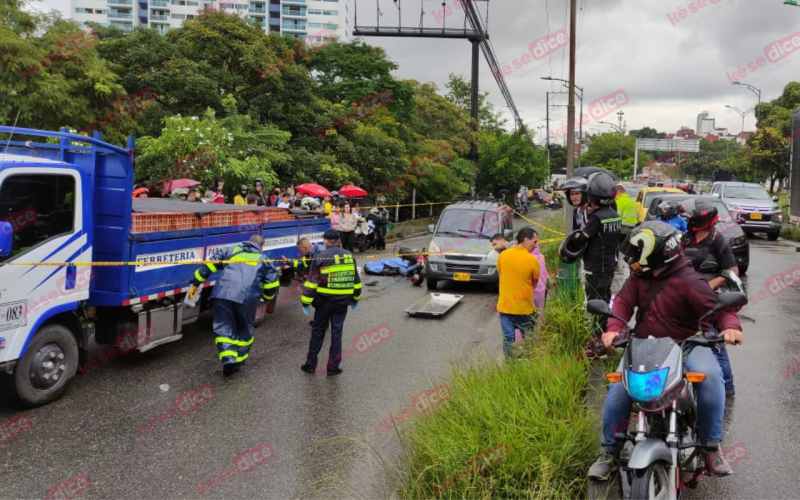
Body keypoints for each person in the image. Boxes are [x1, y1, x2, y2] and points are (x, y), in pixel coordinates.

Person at [587, 221, 743, 481]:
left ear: (657, 254)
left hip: (688, 343)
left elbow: (720, 309)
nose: (632, 263)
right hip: (645, 344)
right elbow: (623, 302)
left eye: (637, 257)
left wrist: (730, 328)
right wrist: (613, 327)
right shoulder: (639, 278)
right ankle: (609, 452)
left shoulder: (690, 280)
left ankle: (711, 446)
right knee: (618, 388)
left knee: (711, 377)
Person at [189, 234, 279, 376]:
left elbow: (209, 265)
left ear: (248, 242)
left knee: (223, 327)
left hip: (222, 294)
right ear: (261, 247)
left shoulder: (231, 250)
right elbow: (272, 284)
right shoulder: (264, 259)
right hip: (246, 298)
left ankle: (228, 359)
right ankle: (238, 362)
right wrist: (268, 299)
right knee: (244, 329)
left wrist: (196, 280)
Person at [681, 198, 739, 397]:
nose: (686, 219)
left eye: (689, 216)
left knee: (714, 341)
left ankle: (727, 387)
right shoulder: (685, 239)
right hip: (685, 299)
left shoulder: (718, 241)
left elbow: (732, 271)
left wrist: (709, 285)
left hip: (710, 300)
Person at [559, 173, 620, 356]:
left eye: (578, 193)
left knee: (595, 307)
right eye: (571, 194)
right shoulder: (612, 214)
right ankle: (604, 340)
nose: (574, 197)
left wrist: (568, 247)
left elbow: (580, 240)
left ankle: (598, 346)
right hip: (607, 266)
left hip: (595, 268)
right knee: (604, 303)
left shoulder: (596, 217)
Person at [300, 229, 362, 375]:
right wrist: (355, 298)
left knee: (318, 332)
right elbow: (356, 281)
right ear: (338, 241)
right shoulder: (349, 255)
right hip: (342, 303)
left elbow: (311, 283)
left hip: (324, 302)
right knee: (336, 333)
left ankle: (310, 364)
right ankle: (333, 367)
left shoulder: (320, 256)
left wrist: (305, 303)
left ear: (326, 241)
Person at [496, 227, 540, 357]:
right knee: (529, 339)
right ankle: (530, 365)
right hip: (524, 308)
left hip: (505, 307)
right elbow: (534, 284)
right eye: (535, 241)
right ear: (526, 240)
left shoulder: (503, 255)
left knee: (508, 339)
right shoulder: (532, 260)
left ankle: (510, 366)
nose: (536, 245)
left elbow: (500, 275)